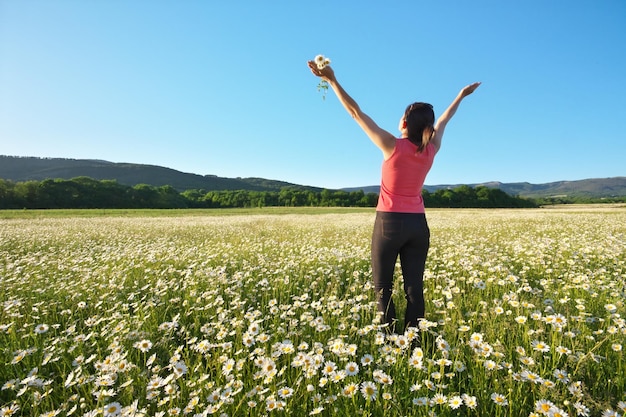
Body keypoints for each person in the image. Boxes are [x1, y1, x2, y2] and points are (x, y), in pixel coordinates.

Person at [308, 60, 480, 333]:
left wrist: (332, 80)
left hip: (389, 223)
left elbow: (355, 113)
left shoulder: (391, 145)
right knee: (414, 287)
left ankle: (389, 343)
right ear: (428, 128)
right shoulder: (431, 149)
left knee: (383, 287)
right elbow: (445, 118)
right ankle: (414, 342)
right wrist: (461, 96)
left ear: (403, 122)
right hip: (418, 226)